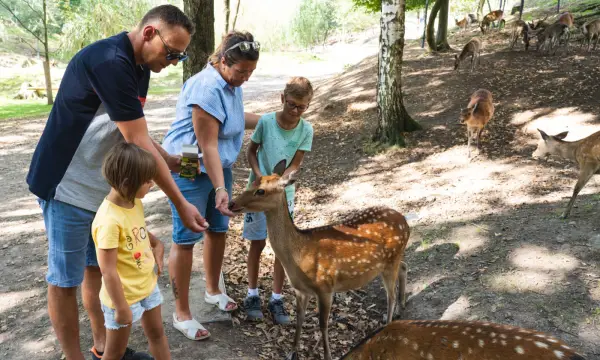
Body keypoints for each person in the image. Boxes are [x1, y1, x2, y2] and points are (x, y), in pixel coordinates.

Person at [26, 5, 208, 360]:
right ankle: (73, 356)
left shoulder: (141, 67)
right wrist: (180, 204)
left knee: (97, 270)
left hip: (98, 190)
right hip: (65, 186)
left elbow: (130, 127)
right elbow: (137, 140)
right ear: (150, 33)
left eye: (180, 55)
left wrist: (169, 160)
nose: (173, 61)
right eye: (171, 53)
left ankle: (102, 347)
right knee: (65, 279)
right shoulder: (109, 60)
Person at [161, 30, 261, 340]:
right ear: (221, 61)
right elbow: (208, 146)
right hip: (189, 162)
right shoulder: (206, 88)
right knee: (187, 235)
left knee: (218, 228)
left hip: (221, 164)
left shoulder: (231, 84)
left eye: (250, 72)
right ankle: (182, 313)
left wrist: (272, 119)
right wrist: (220, 189)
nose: (245, 77)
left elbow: (234, 119)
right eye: (240, 71)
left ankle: (213, 289)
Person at [242, 77, 314, 324]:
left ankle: (276, 298)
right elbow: (251, 151)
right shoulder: (266, 122)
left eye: (301, 107)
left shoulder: (306, 129)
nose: (295, 111)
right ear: (282, 98)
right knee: (257, 242)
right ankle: (252, 294)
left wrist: (282, 182)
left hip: (283, 197)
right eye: (291, 105)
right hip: (258, 192)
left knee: (282, 248)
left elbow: (296, 163)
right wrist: (262, 178)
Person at [92, 143, 170, 360]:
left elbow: (137, 229)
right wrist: (121, 307)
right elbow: (107, 271)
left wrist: (155, 243)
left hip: (147, 285)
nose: (152, 184)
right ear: (128, 183)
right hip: (123, 297)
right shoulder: (108, 221)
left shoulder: (133, 201)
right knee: (115, 352)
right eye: (147, 181)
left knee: (157, 334)